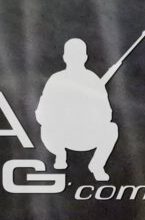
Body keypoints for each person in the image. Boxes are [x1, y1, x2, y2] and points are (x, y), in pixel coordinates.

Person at [35, 38, 120, 181]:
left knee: (112, 129)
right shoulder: (56, 79)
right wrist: (59, 115)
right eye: (71, 55)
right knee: (46, 128)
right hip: (60, 136)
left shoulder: (93, 80)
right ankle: (60, 155)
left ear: (85, 58)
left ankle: (97, 165)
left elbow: (107, 114)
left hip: (86, 135)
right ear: (65, 57)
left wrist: (89, 112)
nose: (74, 59)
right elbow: (41, 113)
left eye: (78, 55)